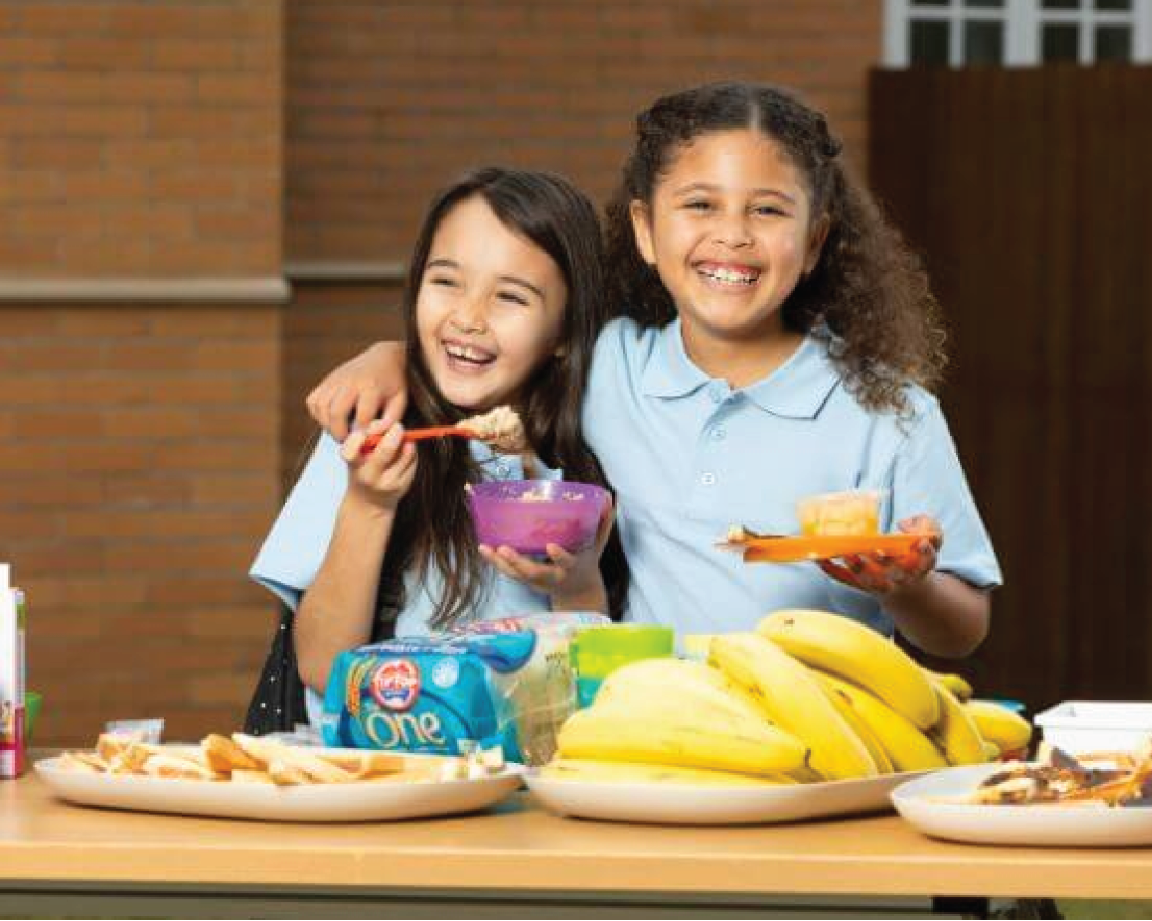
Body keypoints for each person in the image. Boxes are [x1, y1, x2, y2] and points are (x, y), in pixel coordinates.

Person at [304, 82, 1001, 658]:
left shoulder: (889, 414)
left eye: (768, 210)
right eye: (700, 205)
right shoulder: (604, 363)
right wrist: (389, 356)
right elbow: (491, 350)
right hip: (632, 749)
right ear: (644, 228)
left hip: (808, 759)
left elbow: (964, 627)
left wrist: (905, 586)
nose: (732, 234)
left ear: (814, 241)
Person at [251, 168, 626, 728]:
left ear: (566, 334)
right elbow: (324, 665)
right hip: (383, 772)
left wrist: (577, 584)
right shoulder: (369, 438)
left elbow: (586, 684)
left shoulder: (589, 460)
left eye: (511, 297)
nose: (468, 318)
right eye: (446, 281)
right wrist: (369, 504)